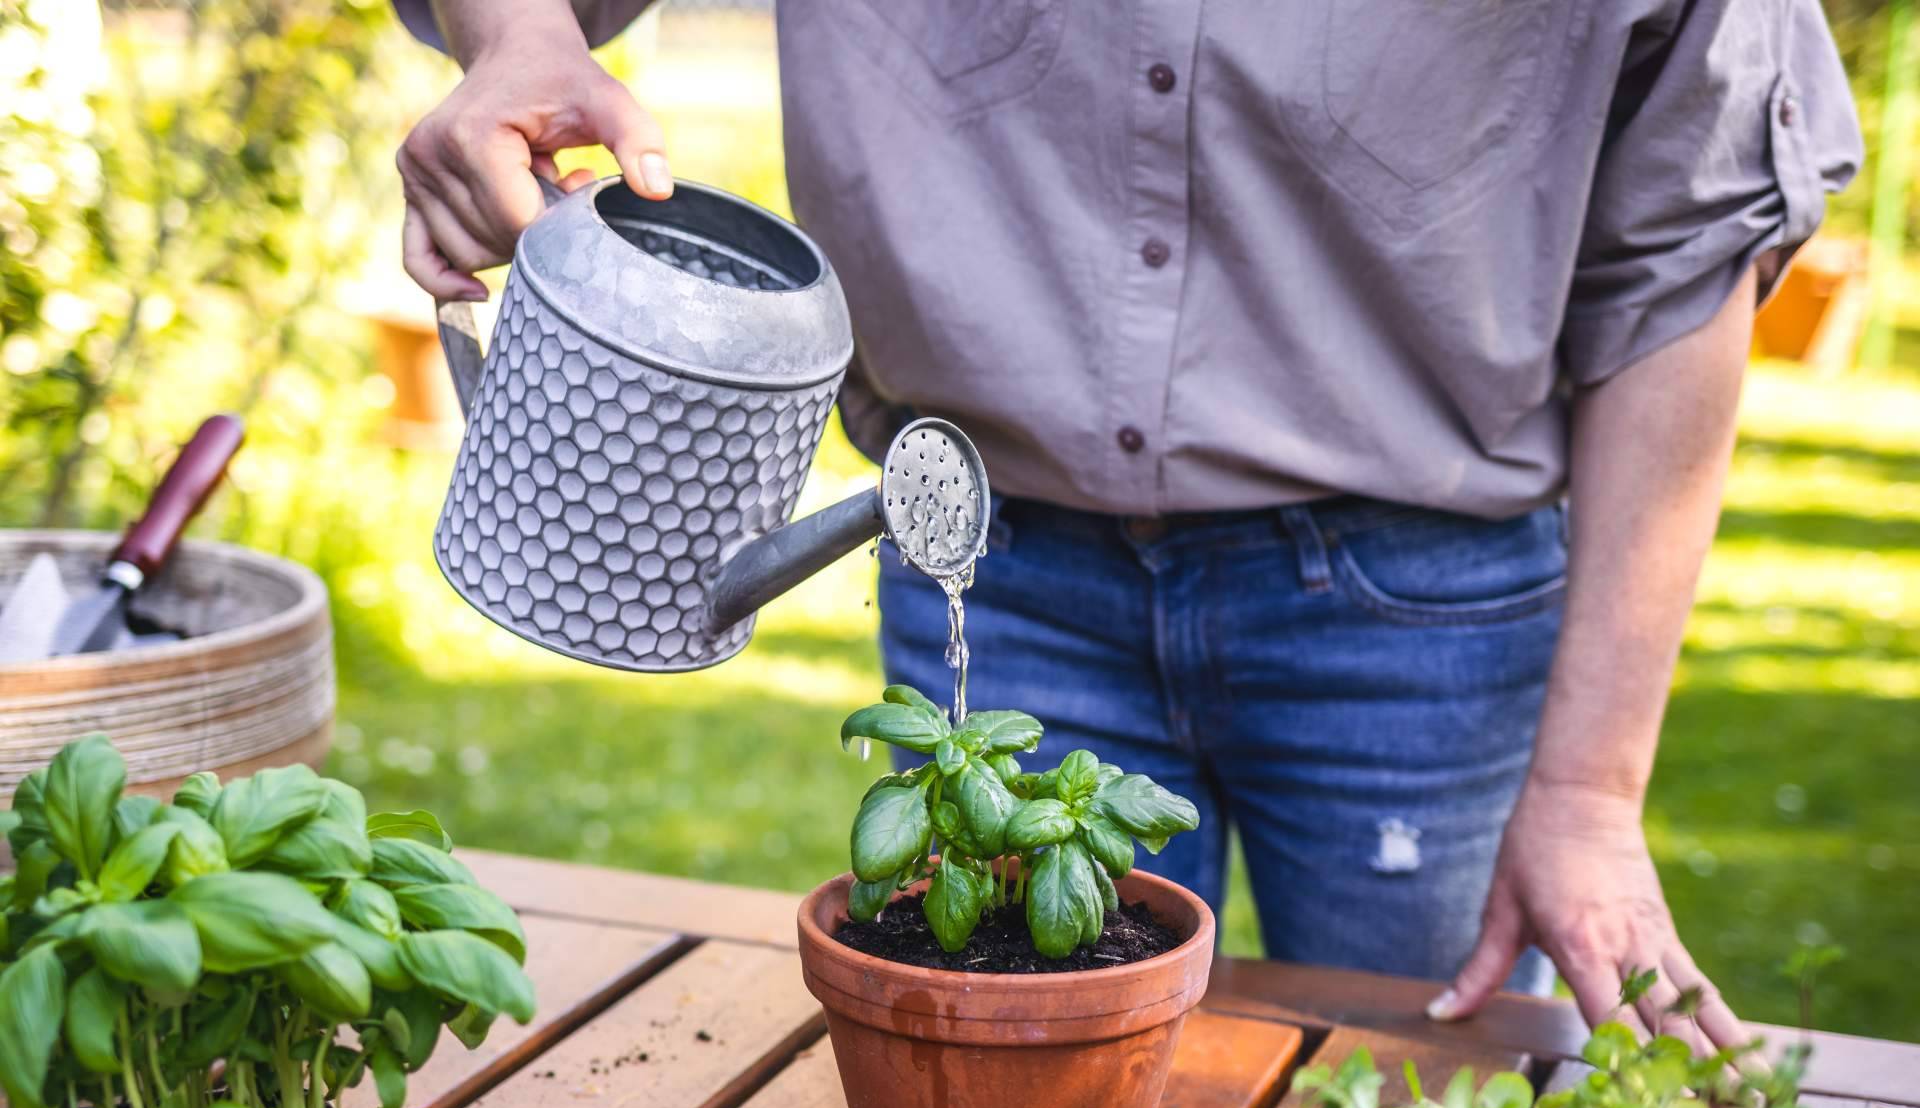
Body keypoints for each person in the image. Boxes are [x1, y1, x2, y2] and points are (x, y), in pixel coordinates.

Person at [392, 0, 1861, 1050]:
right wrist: (515, 38)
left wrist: (1595, 796)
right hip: (993, 562)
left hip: (1416, 613)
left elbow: (1692, 236)